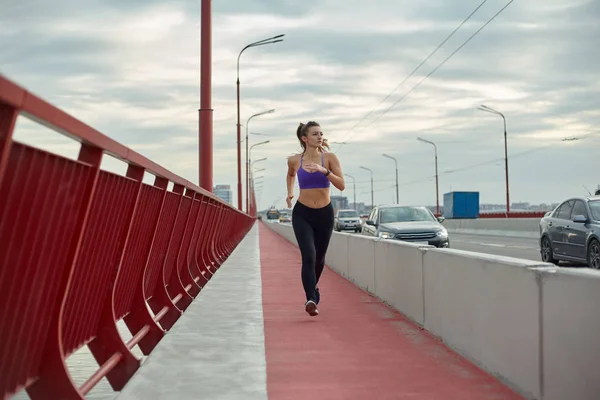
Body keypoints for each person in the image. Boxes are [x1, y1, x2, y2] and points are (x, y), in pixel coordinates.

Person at [286, 121, 345, 316]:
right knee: (309, 256)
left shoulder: (329, 158)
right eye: (315, 134)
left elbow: (342, 185)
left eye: (321, 133)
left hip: (325, 214)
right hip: (302, 213)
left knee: (319, 259)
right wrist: (290, 193)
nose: (320, 136)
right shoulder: (295, 160)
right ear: (305, 138)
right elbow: (291, 175)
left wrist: (324, 171)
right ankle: (311, 298)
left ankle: (313, 292)